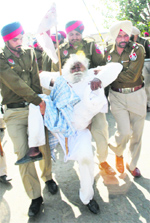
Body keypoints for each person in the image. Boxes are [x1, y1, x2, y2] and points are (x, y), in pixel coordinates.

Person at [18, 54, 122, 214]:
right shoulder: (62, 78)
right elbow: (42, 76)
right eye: (73, 67)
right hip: (60, 126)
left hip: (80, 131)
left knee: (87, 159)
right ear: (68, 69)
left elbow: (116, 66)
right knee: (37, 102)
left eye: (79, 66)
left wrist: (100, 78)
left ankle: (87, 198)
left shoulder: (93, 76)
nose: (76, 69)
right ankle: (34, 147)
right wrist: (54, 82)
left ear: (86, 67)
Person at [0, 21, 58, 217]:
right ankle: (35, 196)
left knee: (43, 147)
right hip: (14, 112)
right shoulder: (0, 58)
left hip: (33, 107)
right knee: (23, 154)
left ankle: (48, 177)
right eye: (15, 39)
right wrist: (36, 100)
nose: (19, 42)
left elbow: (34, 81)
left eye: (21, 37)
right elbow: (15, 83)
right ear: (6, 40)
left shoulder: (29, 53)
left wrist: (40, 102)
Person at [52, 20, 116, 176]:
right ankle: (82, 165)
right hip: (73, 102)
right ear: (67, 35)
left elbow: (102, 68)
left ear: (82, 34)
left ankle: (103, 161)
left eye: (77, 34)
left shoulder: (91, 46)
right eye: (71, 34)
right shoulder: (60, 51)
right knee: (78, 137)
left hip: (92, 97)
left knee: (101, 131)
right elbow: (56, 74)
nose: (74, 37)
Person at [104, 20, 147, 177]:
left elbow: (131, 75)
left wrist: (109, 74)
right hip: (117, 96)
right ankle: (119, 152)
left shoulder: (138, 49)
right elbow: (101, 74)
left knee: (137, 134)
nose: (123, 39)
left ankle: (132, 164)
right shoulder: (107, 52)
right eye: (119, 36)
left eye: (126, 35)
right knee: (123, 132)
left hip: (137, 95)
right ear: (114, 37)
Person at [130, 26, 150, 112]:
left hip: (145, 66)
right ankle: (141, 103)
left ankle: (148, 103)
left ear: (136, 35)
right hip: (135, 68)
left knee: (146, 86)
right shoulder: (129, 43)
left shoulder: (144, 42)